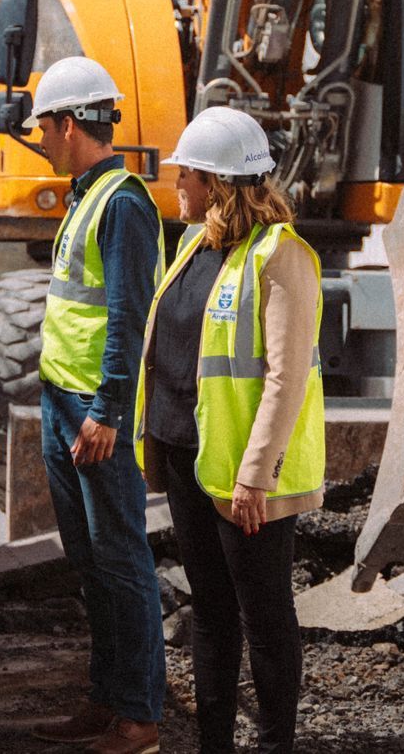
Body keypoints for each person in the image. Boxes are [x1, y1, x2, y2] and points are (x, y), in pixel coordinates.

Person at [135, 107, 324, 754]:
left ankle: (274, 745)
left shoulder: (281, 258)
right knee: (210, 617)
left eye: (183, 174)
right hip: (190, 460)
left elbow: (285, 378)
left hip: (245, 479)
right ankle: (211, 743)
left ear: (215, 181)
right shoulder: (195, 244)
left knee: (265, 618)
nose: (174, 185)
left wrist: (254, 476)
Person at [24, 57, 167, 754]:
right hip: (64, 400)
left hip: (93, 410)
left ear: (70, 123)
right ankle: (106, 698)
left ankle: (138, 716)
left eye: (43, 128)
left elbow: (126, 316)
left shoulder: (124, 205)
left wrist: (107, 412)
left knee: (120, 560)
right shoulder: (88, 196)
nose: (40, 140)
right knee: (91, 562)